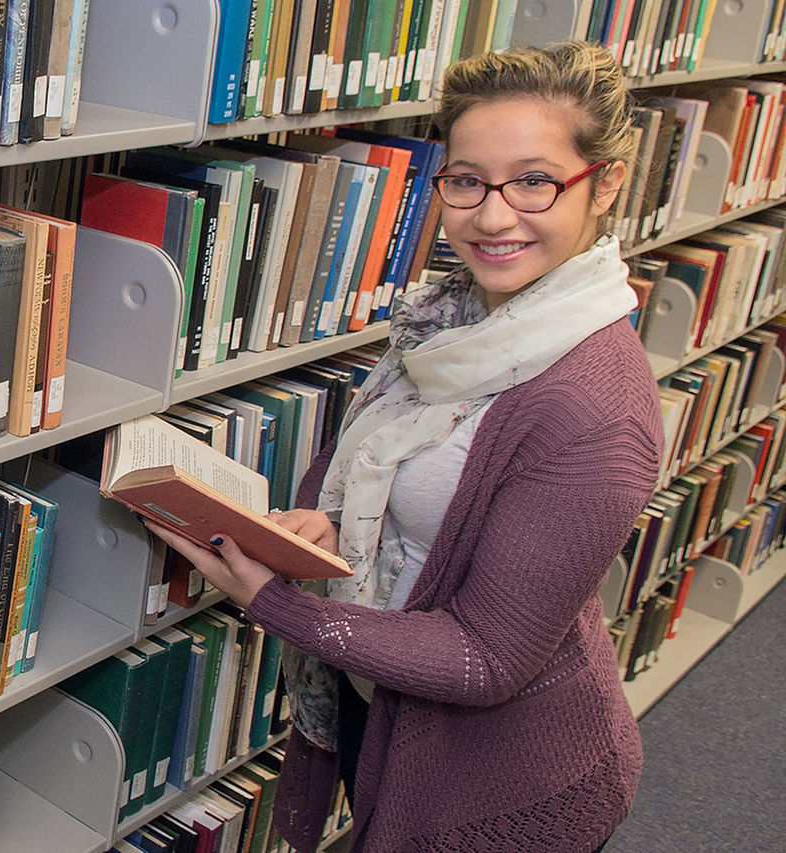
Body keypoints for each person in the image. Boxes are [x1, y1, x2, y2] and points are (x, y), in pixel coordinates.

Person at [145, 41, 663, 852]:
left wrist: (273, 601)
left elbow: (487, 657)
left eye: (533, 181)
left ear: (605, 185)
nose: (492, 216)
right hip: (377, 697)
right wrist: (321, 519)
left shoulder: (593, 406)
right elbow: (370, 444)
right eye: (466, 181)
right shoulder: (453, 318)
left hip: (501, 778)